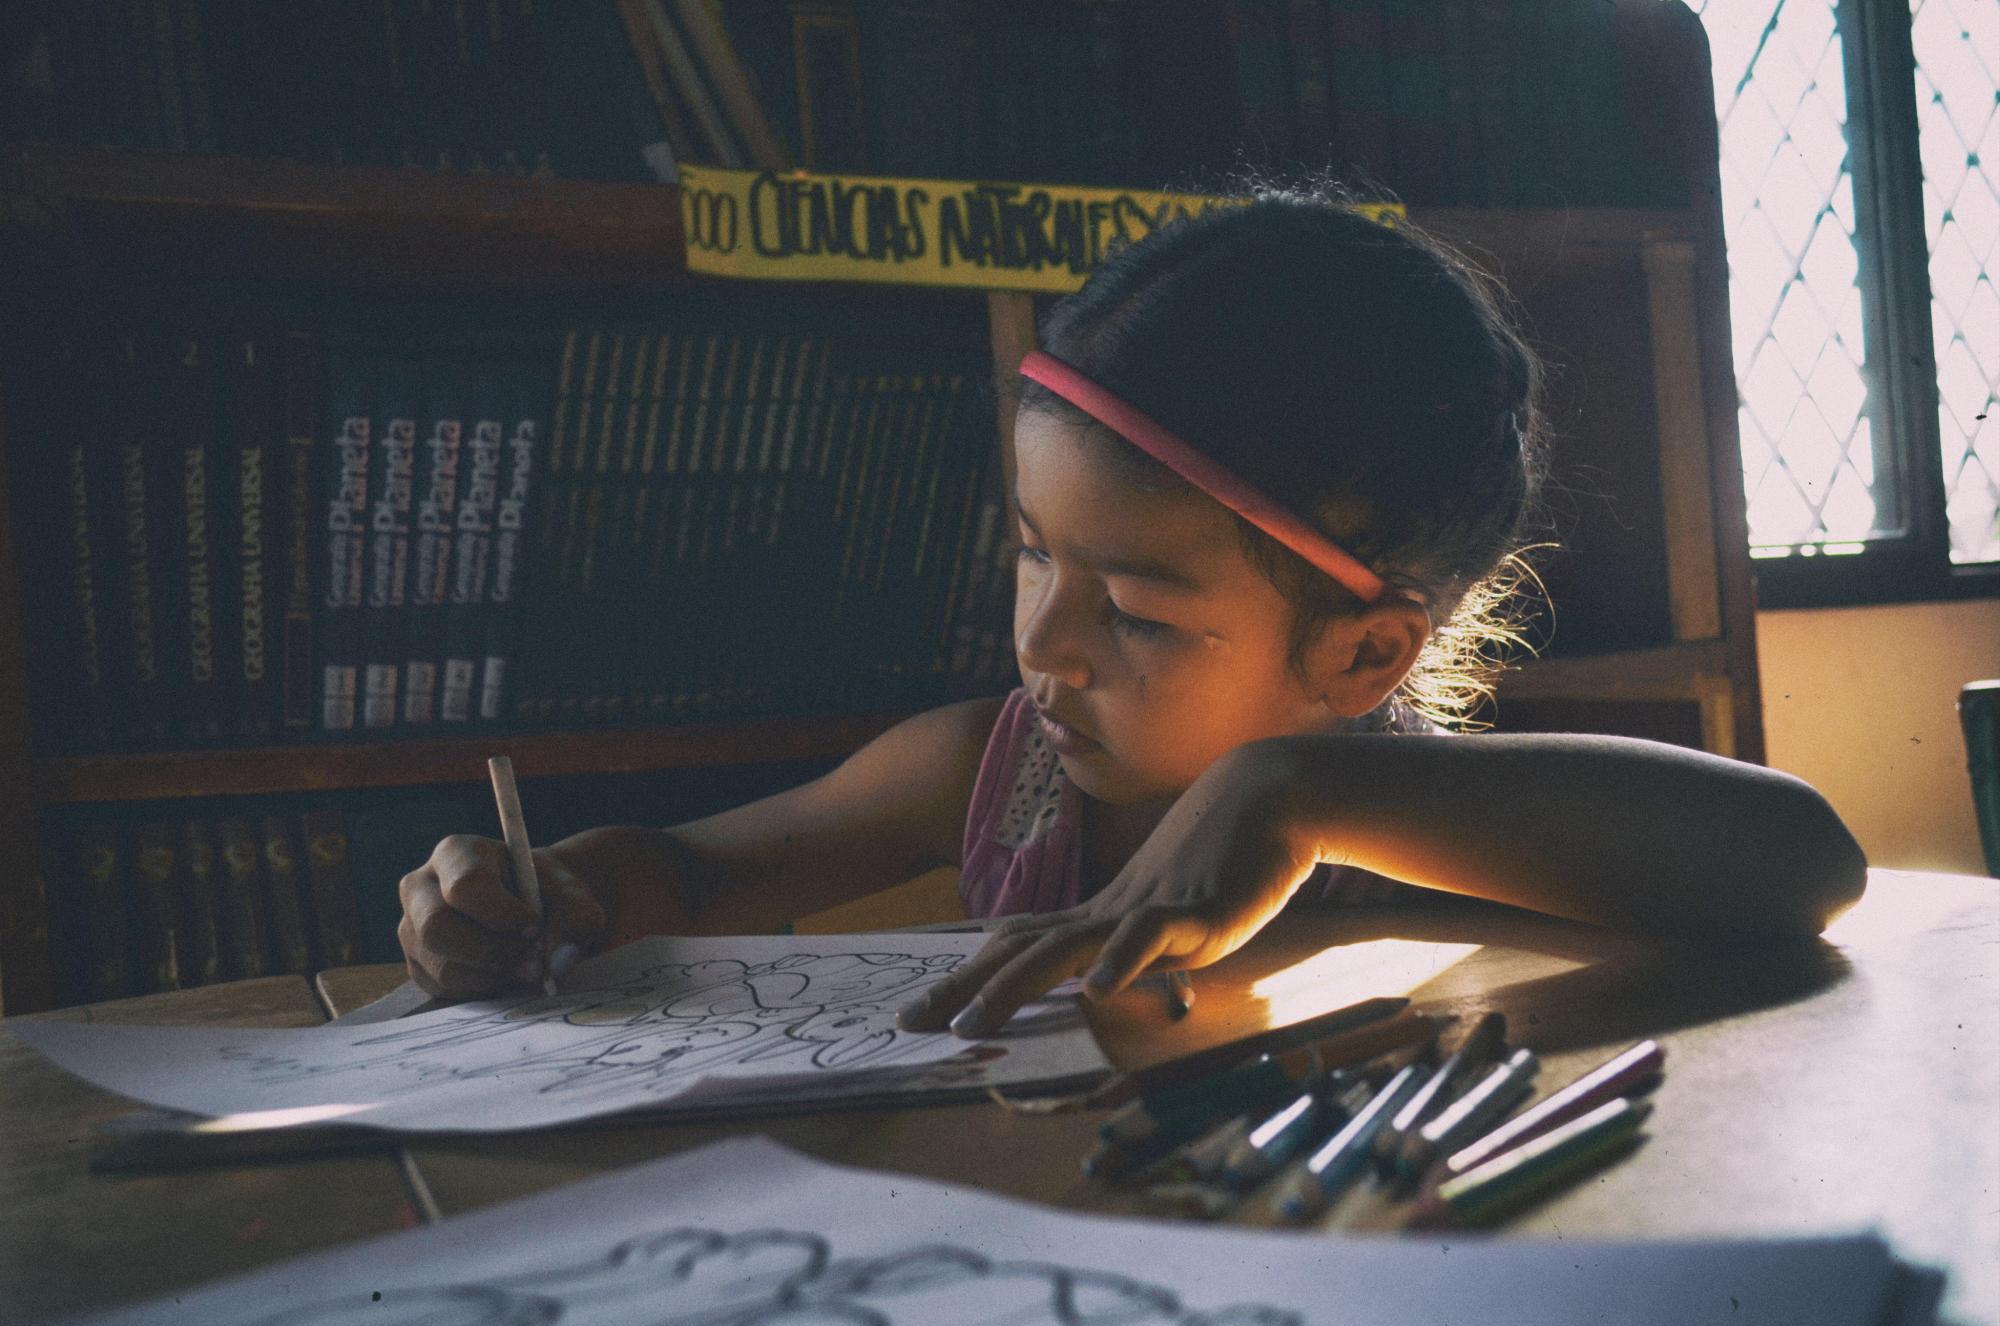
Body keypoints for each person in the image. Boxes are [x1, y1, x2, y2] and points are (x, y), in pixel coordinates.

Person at [398, 185, 1868, 1038]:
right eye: (1037, 554)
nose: (1043, 642)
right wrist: (550, 892)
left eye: (1142, 614)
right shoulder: (993, 770)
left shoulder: (1443, 815)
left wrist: (1295, 789)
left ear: (1364, 653)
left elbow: (1806, 854)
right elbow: (693, 875)